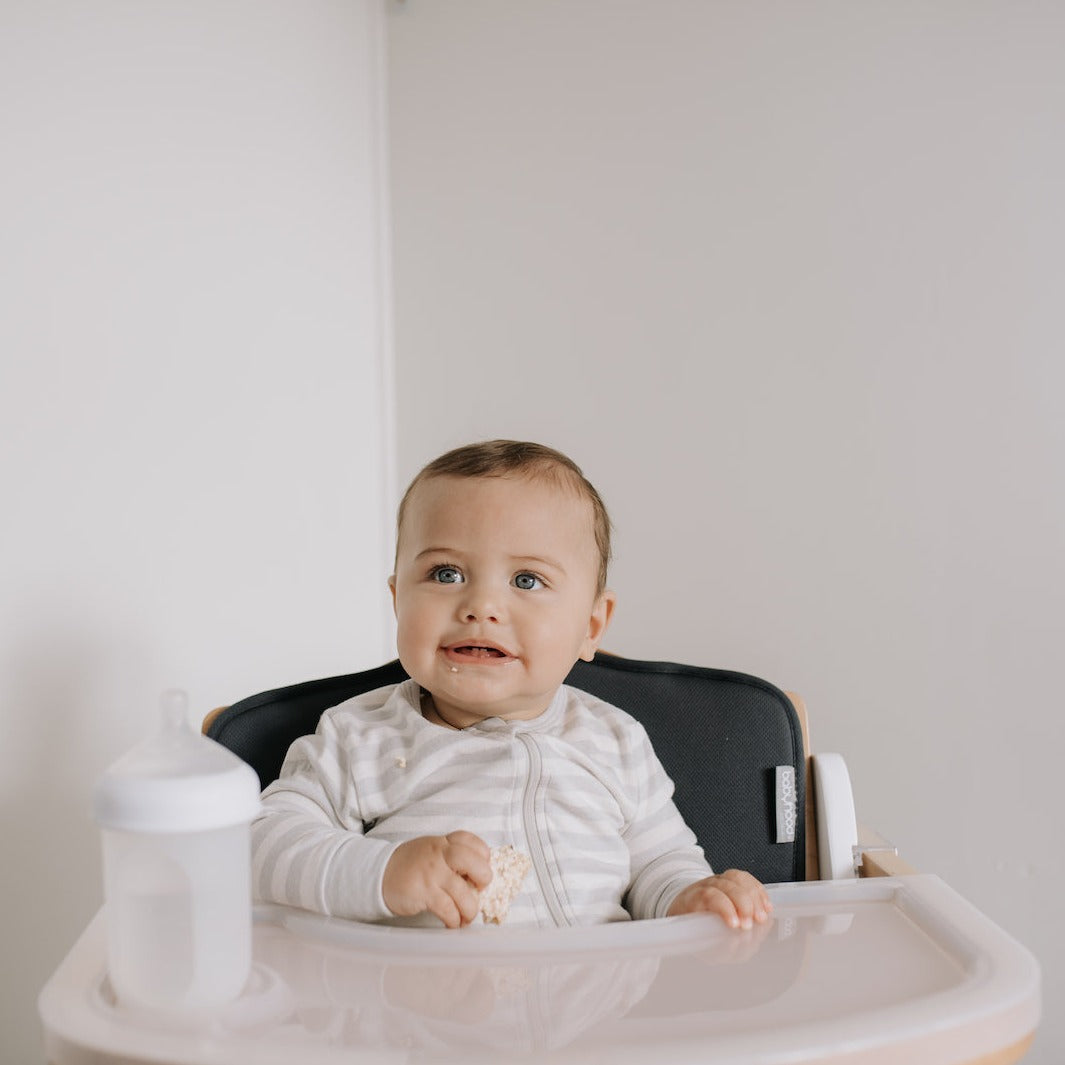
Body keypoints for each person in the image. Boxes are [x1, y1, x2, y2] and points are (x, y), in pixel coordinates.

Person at [251, 440, 771, 931]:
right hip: (424, 1012)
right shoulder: (359, 738)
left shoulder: (616, 741)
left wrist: (692, 897)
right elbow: (261, 849)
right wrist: (382, 874)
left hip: (596, 1010)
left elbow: (661, 863)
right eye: (446, 573)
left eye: (527, 580)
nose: (481, 606)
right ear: (397, 601)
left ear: (591, 625)